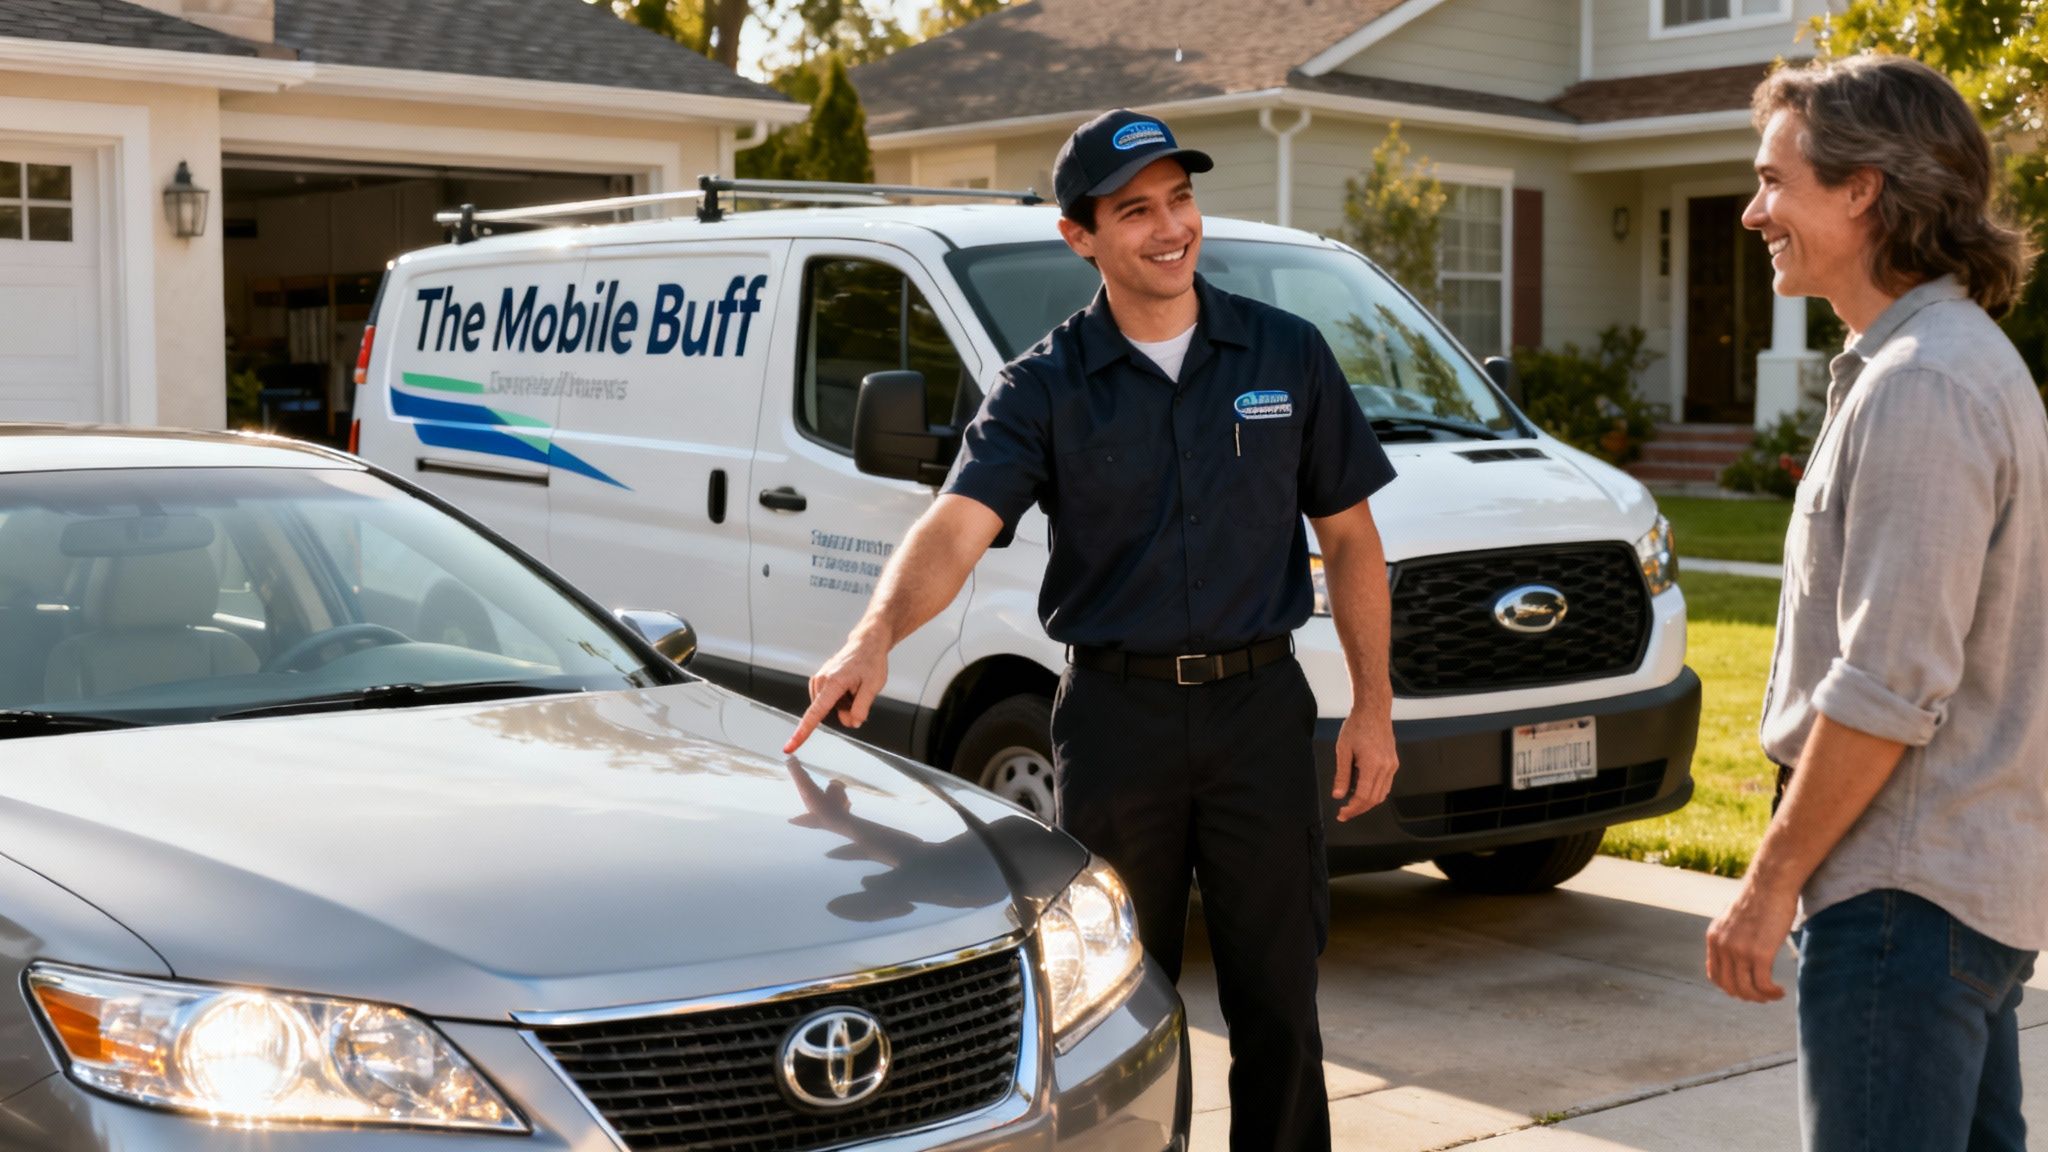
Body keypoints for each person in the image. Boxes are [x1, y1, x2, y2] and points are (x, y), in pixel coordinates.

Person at [784, 108, 1399, 1150]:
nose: (1169, 229)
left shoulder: (1284, 355)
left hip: (1260, 714)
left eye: (1179, 199)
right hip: (1119, 725)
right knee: (1118, 1010)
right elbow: (954, 528)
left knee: (1280, 1010)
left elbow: (1350, 542)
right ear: (1080, 236)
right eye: (1134, 211)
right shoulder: (1043, 387)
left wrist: (1373, 707)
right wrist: (875, 633)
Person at [1705, 55, 2047, 1152]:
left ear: (1861, 190)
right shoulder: (1934, 365)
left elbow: (1886, 683)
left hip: (1901, 896)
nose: (1754, 211)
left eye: (1774, 181)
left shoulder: (1922, 387)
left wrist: (1766, 888)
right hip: (1954, 888)